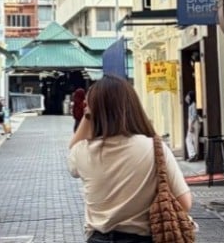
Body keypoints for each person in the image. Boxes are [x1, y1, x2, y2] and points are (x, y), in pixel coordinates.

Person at [68, 74, 192, 243]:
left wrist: (89, 113)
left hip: (99, 238)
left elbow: (72, 154)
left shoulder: (82, 152)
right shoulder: (155, 148)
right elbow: (184, 202)